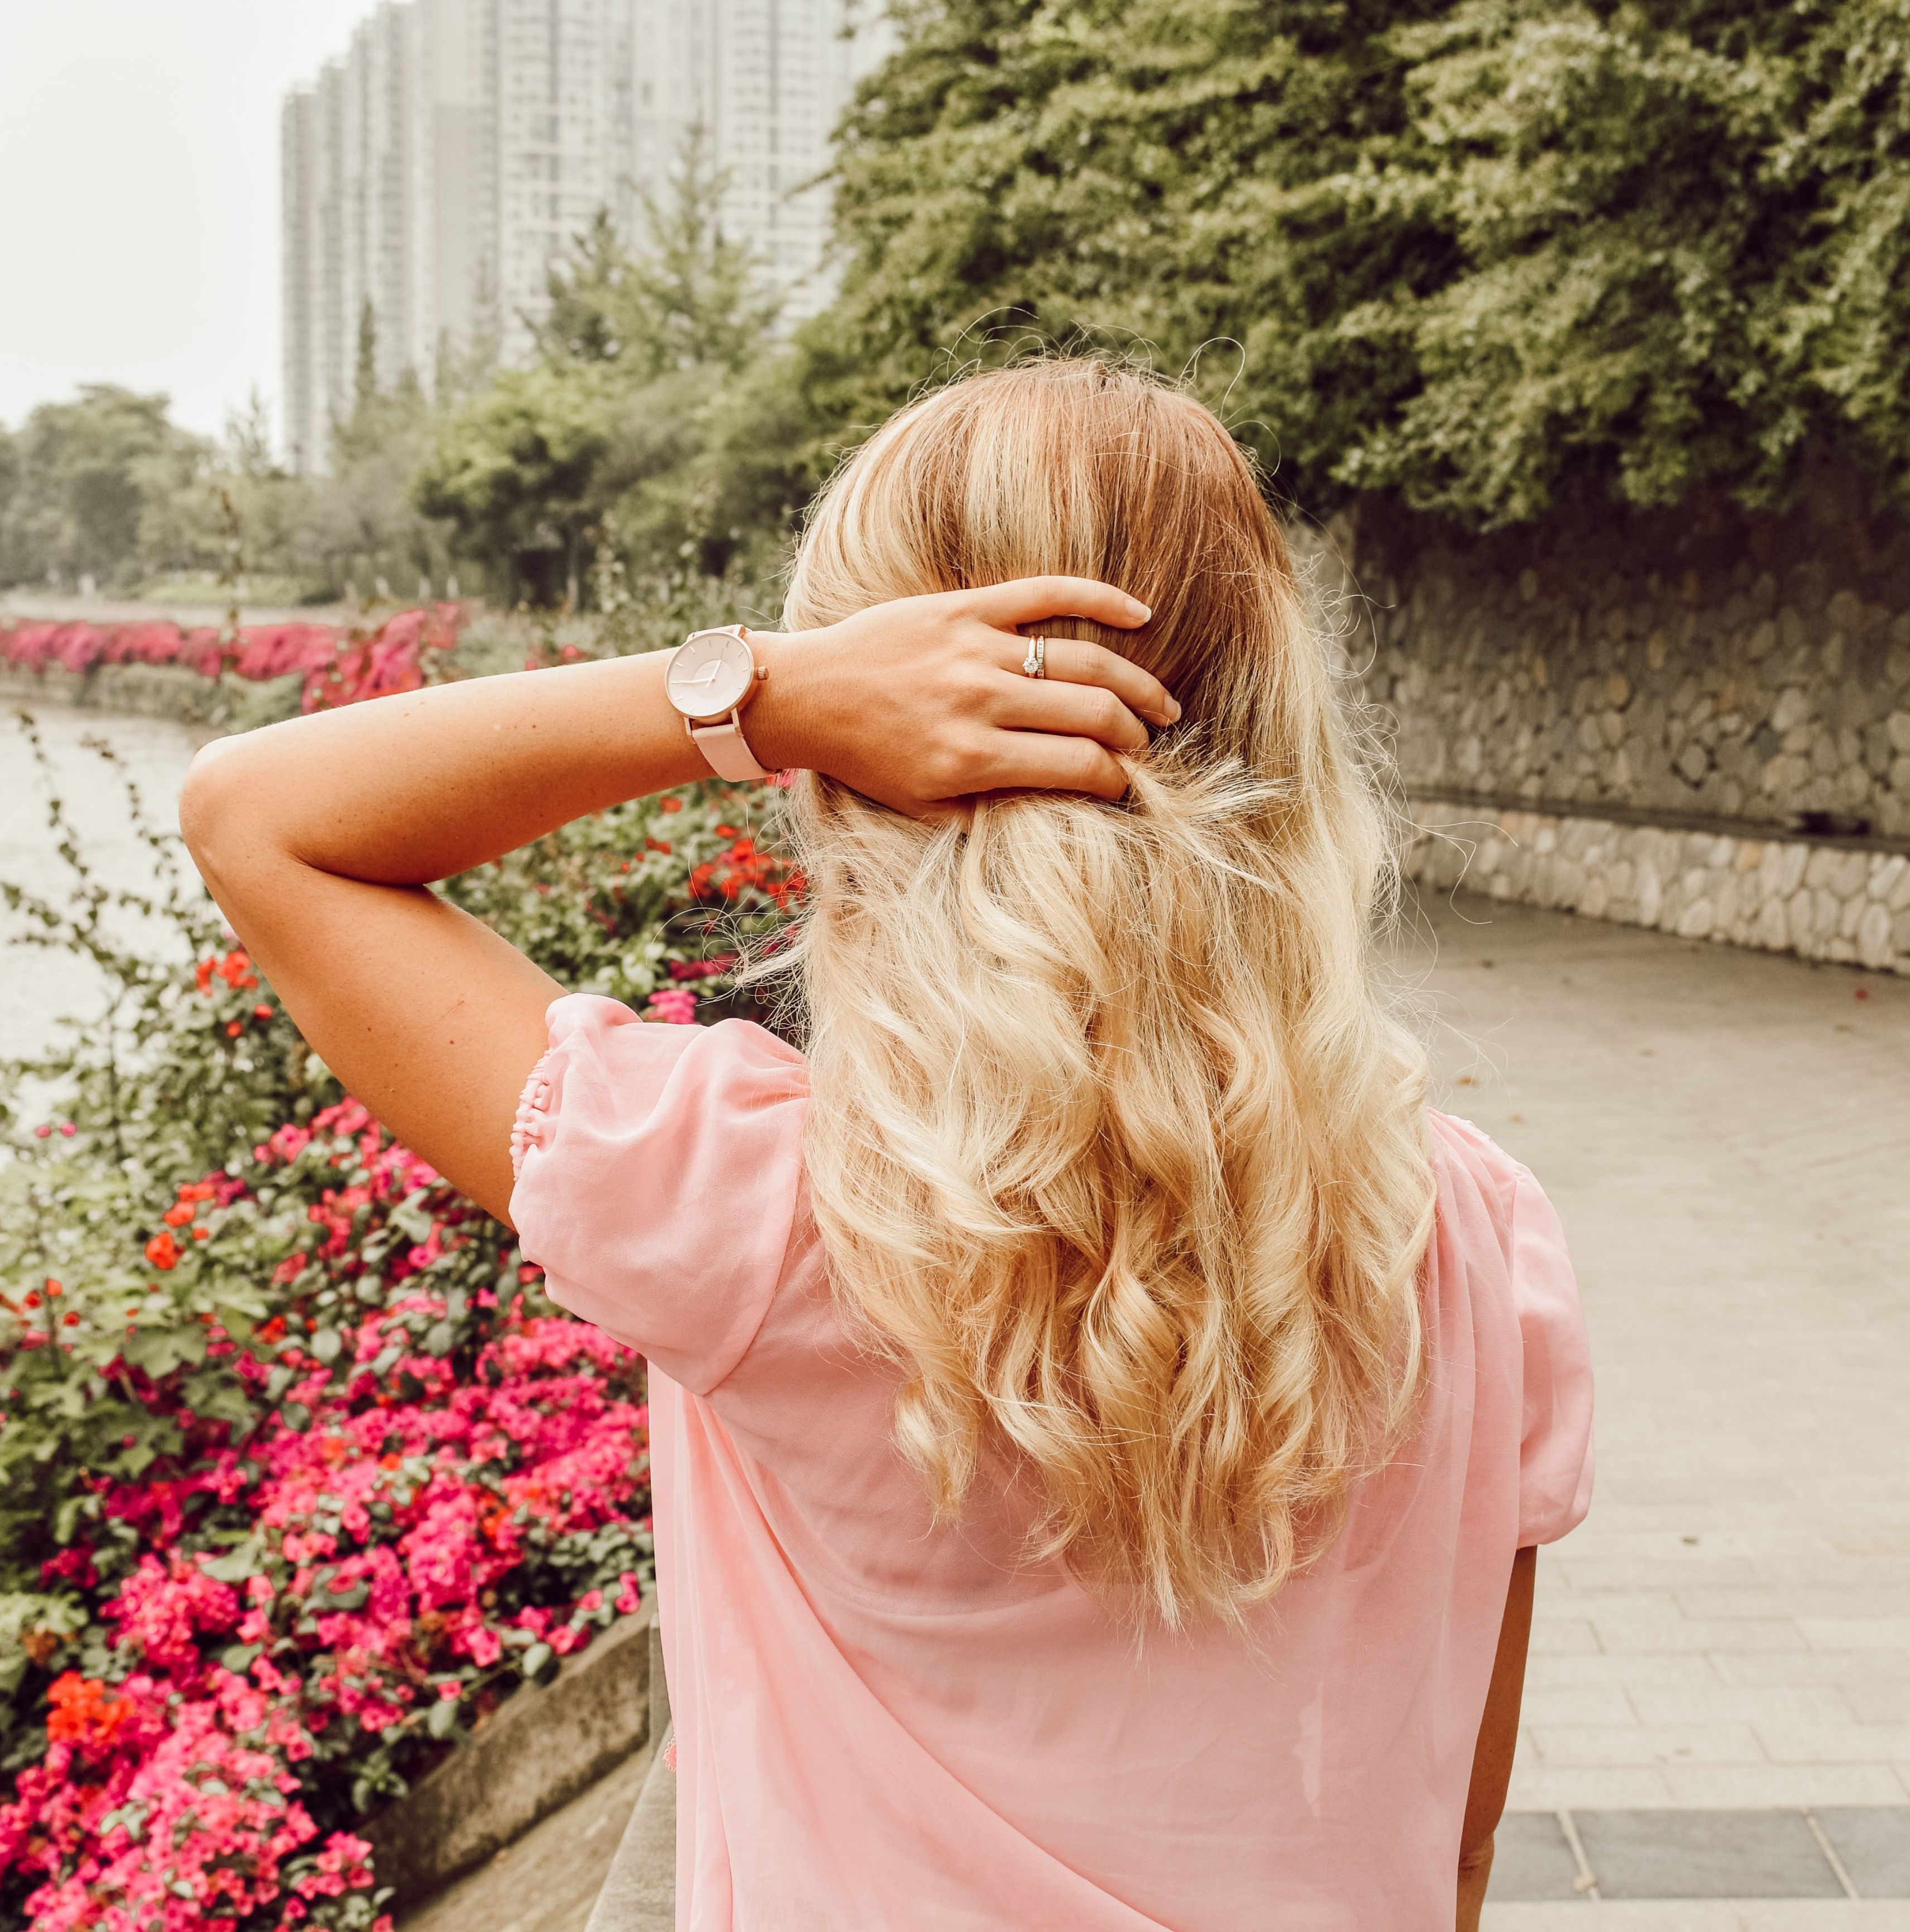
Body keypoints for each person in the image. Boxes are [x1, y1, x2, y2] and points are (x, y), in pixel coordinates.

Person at [181, 361, 1593, 1931]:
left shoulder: (756, 1209)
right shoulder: (1473, 1240)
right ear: (1277, 718)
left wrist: (757, 694)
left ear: (868, 760)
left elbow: (258, 817)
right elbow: (1452, 1853)